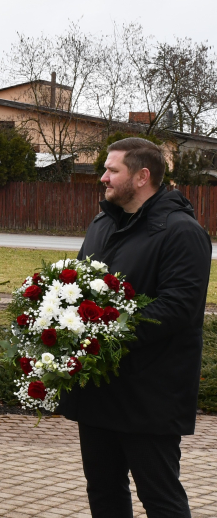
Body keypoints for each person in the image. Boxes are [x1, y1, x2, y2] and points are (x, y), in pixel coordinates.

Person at [59, 137, 211, 518]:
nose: (103, 179)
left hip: (150, 395)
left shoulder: (182, 232)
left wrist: (105, 331)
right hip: (99, 390)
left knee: (160, 499)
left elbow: (178, 307)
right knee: (104, 493)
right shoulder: (101, 223)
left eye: (112, 171)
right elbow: (77, 286)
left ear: (142, 177)